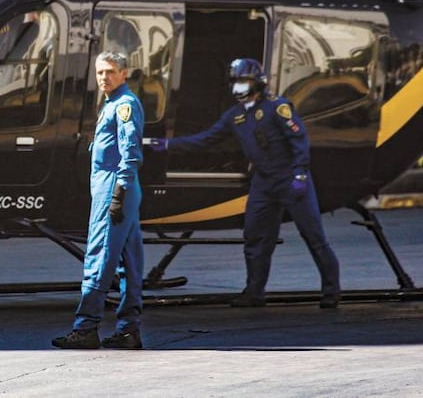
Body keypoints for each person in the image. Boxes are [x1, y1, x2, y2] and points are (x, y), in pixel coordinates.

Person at [156, 57, 341, 309]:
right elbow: (206, 139)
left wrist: (300, 174)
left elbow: (299, 140)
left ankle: (331, 291)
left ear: (257, 83)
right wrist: (168, 145)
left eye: (243, 81)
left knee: (314, 237)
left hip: (290, 179)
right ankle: (254, 292)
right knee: (255, 238)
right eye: (235, 81)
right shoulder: (235, 116)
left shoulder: (278, 107)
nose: (238, 87)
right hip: (263, 183)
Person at [52, 51, 145, 350]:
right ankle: (129, 329)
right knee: (129, 261)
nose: (104, 77)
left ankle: (86, 327)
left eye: (110, 71)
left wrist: (118, 194)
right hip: (118, 188)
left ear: (124, 73)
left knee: (99, 256)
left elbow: (130, 154)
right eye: (100, 72)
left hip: (114, 187)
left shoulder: (124, 105)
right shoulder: (112, 103)